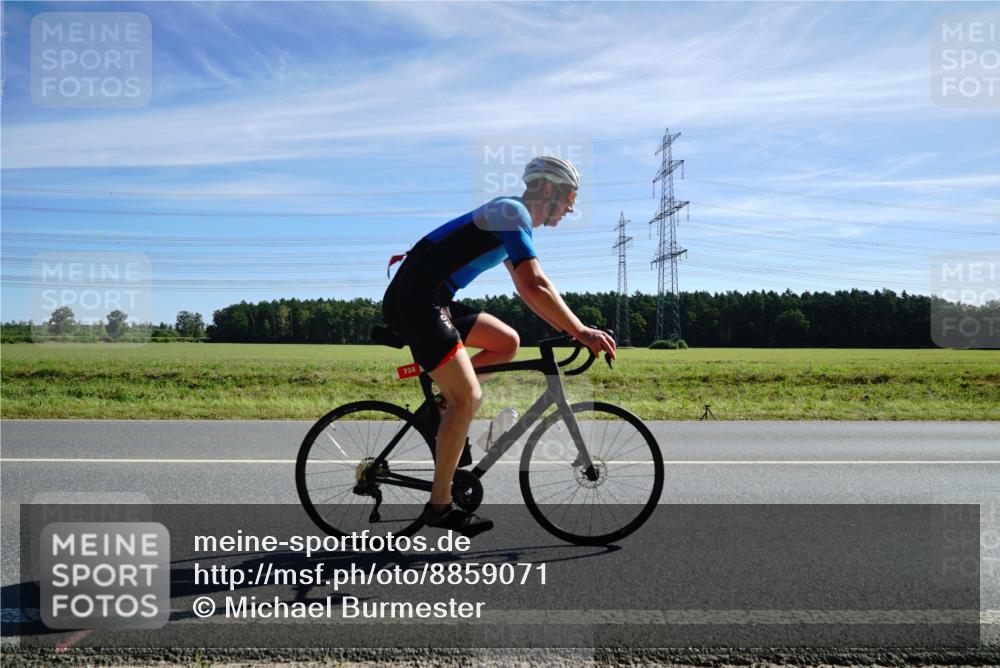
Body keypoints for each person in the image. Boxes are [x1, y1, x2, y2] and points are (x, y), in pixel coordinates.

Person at [381, 156, 617, 536]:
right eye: (570, 196)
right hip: (416, 299)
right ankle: (439, 506)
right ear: (547, 189)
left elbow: (530, 290)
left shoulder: (510, 218)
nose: (571, 208)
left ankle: (440, 409)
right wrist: (581, 333)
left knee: (506, 341)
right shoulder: (512, 212)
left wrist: (574, 329)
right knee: (469, 399)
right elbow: (534, 285)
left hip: (431, 297)